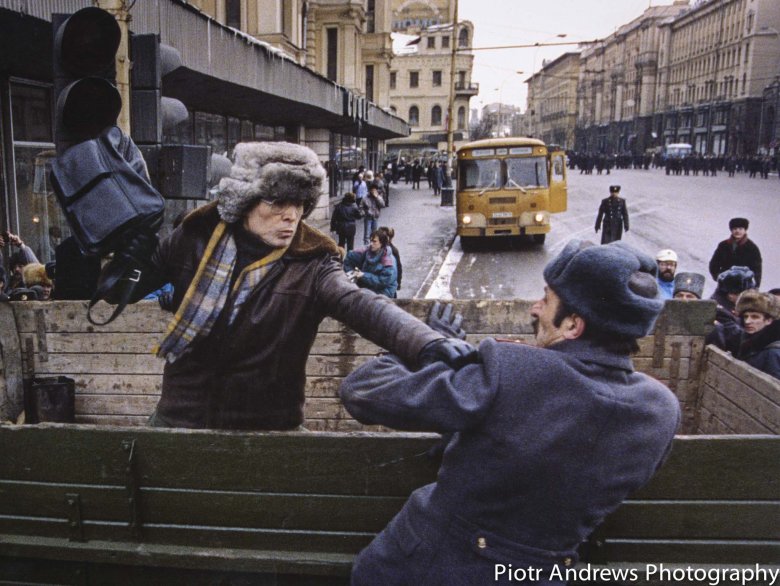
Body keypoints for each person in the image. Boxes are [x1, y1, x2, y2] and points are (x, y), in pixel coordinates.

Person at [340, 240, 680, 585]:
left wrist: (426, 346)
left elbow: (363, 390)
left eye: (547, 299)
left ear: (572, 326)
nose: (535, 308)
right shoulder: (660, 411)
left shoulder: (514, 372)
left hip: (426, 570)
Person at [120, 141, 465, 431]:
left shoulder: (314, 260)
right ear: (244, 201)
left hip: (265, 428)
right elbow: (124, 290)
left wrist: (426, 344)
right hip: (180, 416)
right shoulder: (194, 235)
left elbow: (360, 303)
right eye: (277, 203)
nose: (291, 216)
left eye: (299, 204)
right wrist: (125, 261)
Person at [732, 290, 780, 379]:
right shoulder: (746, 340)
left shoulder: (773, 353)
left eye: (755, 317)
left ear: (768, 320)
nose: (748, 321)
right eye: (746, 316)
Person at [708, 218, 762, 288]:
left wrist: (755, 286)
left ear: (745, 230)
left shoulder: (752, 248)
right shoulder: (723, 245)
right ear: (731, 230)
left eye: (740, 229)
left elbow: (757, 269)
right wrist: (718, 277)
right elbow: (714, 263)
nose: (737, 231)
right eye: (735, 228)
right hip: (725, 283)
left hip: (744, 285)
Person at [343, 229, 398, 298]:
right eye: (371, 241)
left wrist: (363, 275)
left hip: (384, 292)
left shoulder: (388, 261)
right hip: (369, 288)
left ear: (382, 243)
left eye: (374, 241)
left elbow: (382, 282)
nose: (371, 244)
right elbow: (350, 257)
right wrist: (351, 274)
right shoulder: (367, 251)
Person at [377, 226, 402, 295]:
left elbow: (398, 267)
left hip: (388, 284)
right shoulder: (379, 249)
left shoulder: (392, 251)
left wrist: (398, 282)